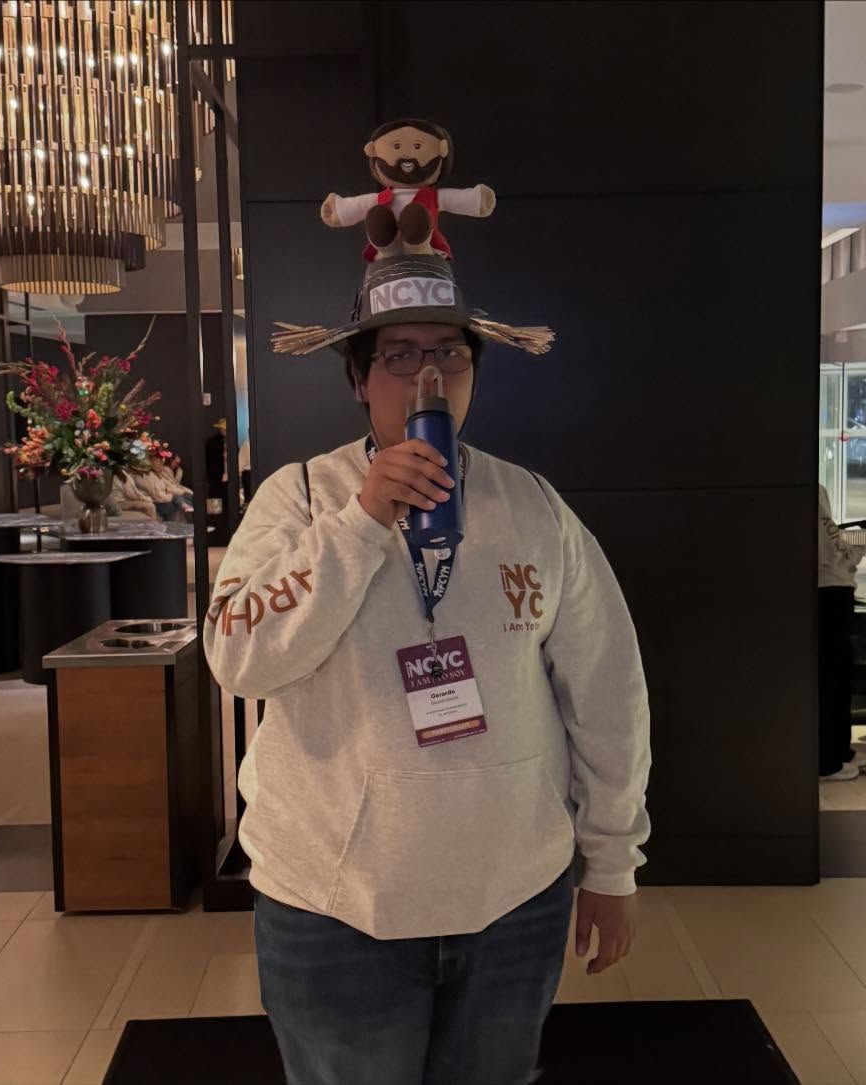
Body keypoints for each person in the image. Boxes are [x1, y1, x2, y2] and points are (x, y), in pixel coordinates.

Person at [205, 251, 651, 1085]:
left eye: (449, 352)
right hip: (333, 905)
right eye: (400, 354)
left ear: (474, 370)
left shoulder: (532, 507)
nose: (428, 376)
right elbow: (237, 656)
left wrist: (613, 862)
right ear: (359, 377)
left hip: (514, 898)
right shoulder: (299, 498)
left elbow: (608, 692)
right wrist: (362, 520)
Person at [817, 486, 866, 781]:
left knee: (838, 675)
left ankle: (838, 749)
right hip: (829, 590)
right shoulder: (812, 492)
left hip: (832, 589)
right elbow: (832, 552)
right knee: (832, 676)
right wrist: (861, 547)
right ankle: (828, 757)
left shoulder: (815, 491)